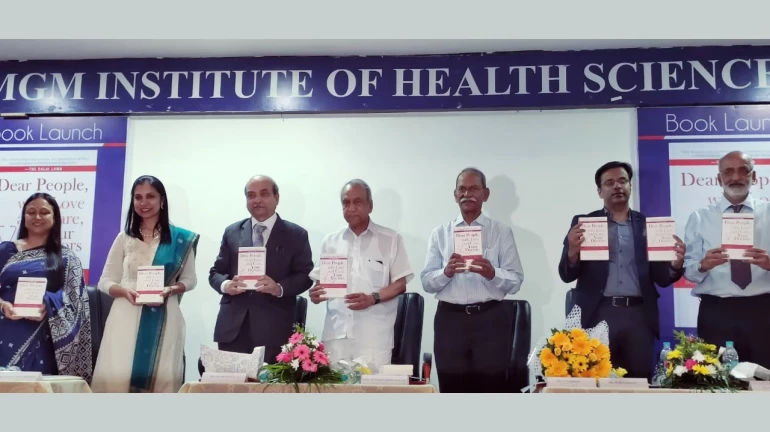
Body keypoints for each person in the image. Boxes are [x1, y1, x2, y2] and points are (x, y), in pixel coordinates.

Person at [558, 161, 685, 381]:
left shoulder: (647, 225)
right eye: (609, 183)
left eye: (622, 181)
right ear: (600, 191)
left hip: (638, 316)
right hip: (598, 313)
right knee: (596, 380)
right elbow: (566, 274)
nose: (617, 186)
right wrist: (572, 252)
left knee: (638, 381)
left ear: (630, 186)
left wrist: (675, 264)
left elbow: (662, 278)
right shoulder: (584, 224)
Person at [90, 175, 199, 393]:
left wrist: (170, 289)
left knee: (162, 378)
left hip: (164, 315)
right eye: (138, 197)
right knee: (118, 377)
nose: (143, 202)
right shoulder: (124, 238)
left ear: (162, 200)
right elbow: (105, 281)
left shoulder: (180, 239)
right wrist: (124, 291)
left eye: (150, 196)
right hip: (125, 316)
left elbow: (190, 280)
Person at [420, 167, 524, 393]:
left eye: (474, 189)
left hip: (490, 320)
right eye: (462, 189)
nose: (467, 194)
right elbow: (427, 281)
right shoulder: (440, 233)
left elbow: (516, 280)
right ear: (455, 195)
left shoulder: (501, 232)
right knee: (452, 388)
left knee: (491, 389)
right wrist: (446, 272)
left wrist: (492, 273)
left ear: (486, 194)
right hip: (450, 320)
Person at [308, 179, 413, 373]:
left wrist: (373, 298)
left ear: (370, 205)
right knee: (334, 390)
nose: (351, 208)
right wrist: (315, 294)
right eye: (346, 203)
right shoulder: (331, 241)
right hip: (336, 337)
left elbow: (400, 284)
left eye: (357, 202)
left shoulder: (391, 239)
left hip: (373, 339)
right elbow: (319, 285)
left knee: (373, 390)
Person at [209, 175, 314, 365]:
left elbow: (305, 275)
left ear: (277, 197)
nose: (257, 200)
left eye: (264, 194)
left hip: (274, 329)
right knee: (231, 383)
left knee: (269, 384)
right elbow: (215, 273)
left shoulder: (296, 234)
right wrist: (226, 285)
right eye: (251, 195)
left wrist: (279, 287)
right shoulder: (232, 232)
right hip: (233, 330)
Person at [683, 151, 770, 368]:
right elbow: (688, 271)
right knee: (716, 378)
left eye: (743, 171)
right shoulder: (699, 217)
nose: (736, 177)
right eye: (728, 172)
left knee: (765, 376)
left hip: (763, 309)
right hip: (716, 311)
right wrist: (703, 265)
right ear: (718, 178)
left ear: (754, 177)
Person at [0, 193, 92, 380]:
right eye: (31, 212)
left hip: (45, 336)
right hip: (5, 328)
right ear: (24, 217)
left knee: (36, 388)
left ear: (55, 218)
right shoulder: (5, 250)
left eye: (44, 212)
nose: (37, 217)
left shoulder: (67, 258)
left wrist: (50, 304)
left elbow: (76, 301)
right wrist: (3, 305)